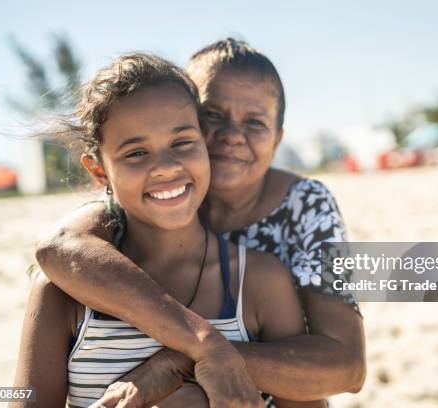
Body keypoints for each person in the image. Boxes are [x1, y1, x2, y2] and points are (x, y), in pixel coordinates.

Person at [36, 39, 366, 407]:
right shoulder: (153, 193)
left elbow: (347, 367)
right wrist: (203, 346)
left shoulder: (305, 208)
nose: (231, 136)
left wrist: (187, 361)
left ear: (277, 140)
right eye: (213, 116)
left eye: (255, 122)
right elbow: (58, 247)